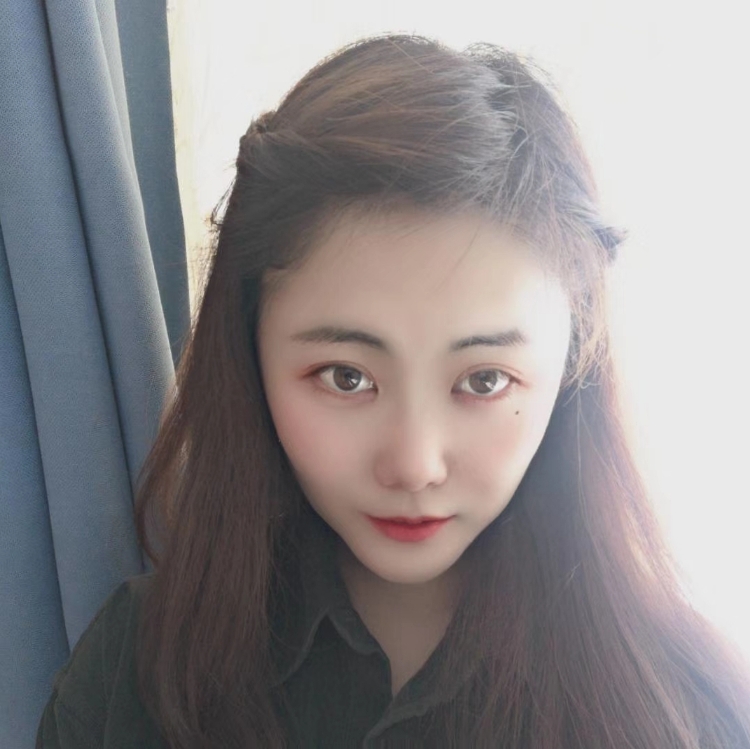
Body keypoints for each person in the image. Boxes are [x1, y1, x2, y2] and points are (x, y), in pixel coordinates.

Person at [36, 33, 750, 749]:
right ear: (249, 354)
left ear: (570, 366)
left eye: (484, 380)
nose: (414, 465)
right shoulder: (132, 674)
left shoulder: (684, 709)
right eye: (346, 377)